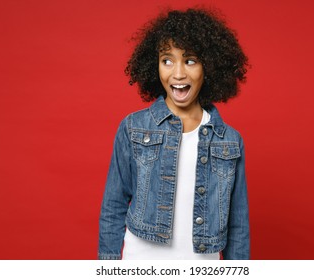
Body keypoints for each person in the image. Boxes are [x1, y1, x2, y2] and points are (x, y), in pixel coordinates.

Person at [98, 8, 250, 260]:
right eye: (167, 60)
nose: (178, 73)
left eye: (190, 60)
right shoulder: (133, 128)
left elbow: (238, 225)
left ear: (209, 67)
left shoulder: (230, 141)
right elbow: (113, 208)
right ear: (154, 65)